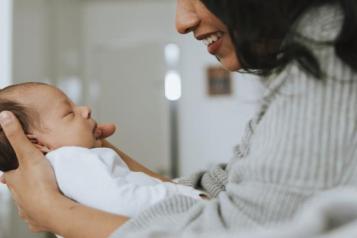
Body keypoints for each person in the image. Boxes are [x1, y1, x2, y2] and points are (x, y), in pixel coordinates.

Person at [1, 0, 357, 237]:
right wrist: (94, 145)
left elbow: (233, 222)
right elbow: (216, 191)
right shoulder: (302, 66)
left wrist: (53, 211)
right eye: (68, 111)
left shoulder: (331, 54)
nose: (181, 21)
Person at [0, 82, 203, 218]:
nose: (86, 109)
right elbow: (123, 204)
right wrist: (185, 195)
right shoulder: (67, 159)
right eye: (69, 113)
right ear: (38, 144)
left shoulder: (64, 165)